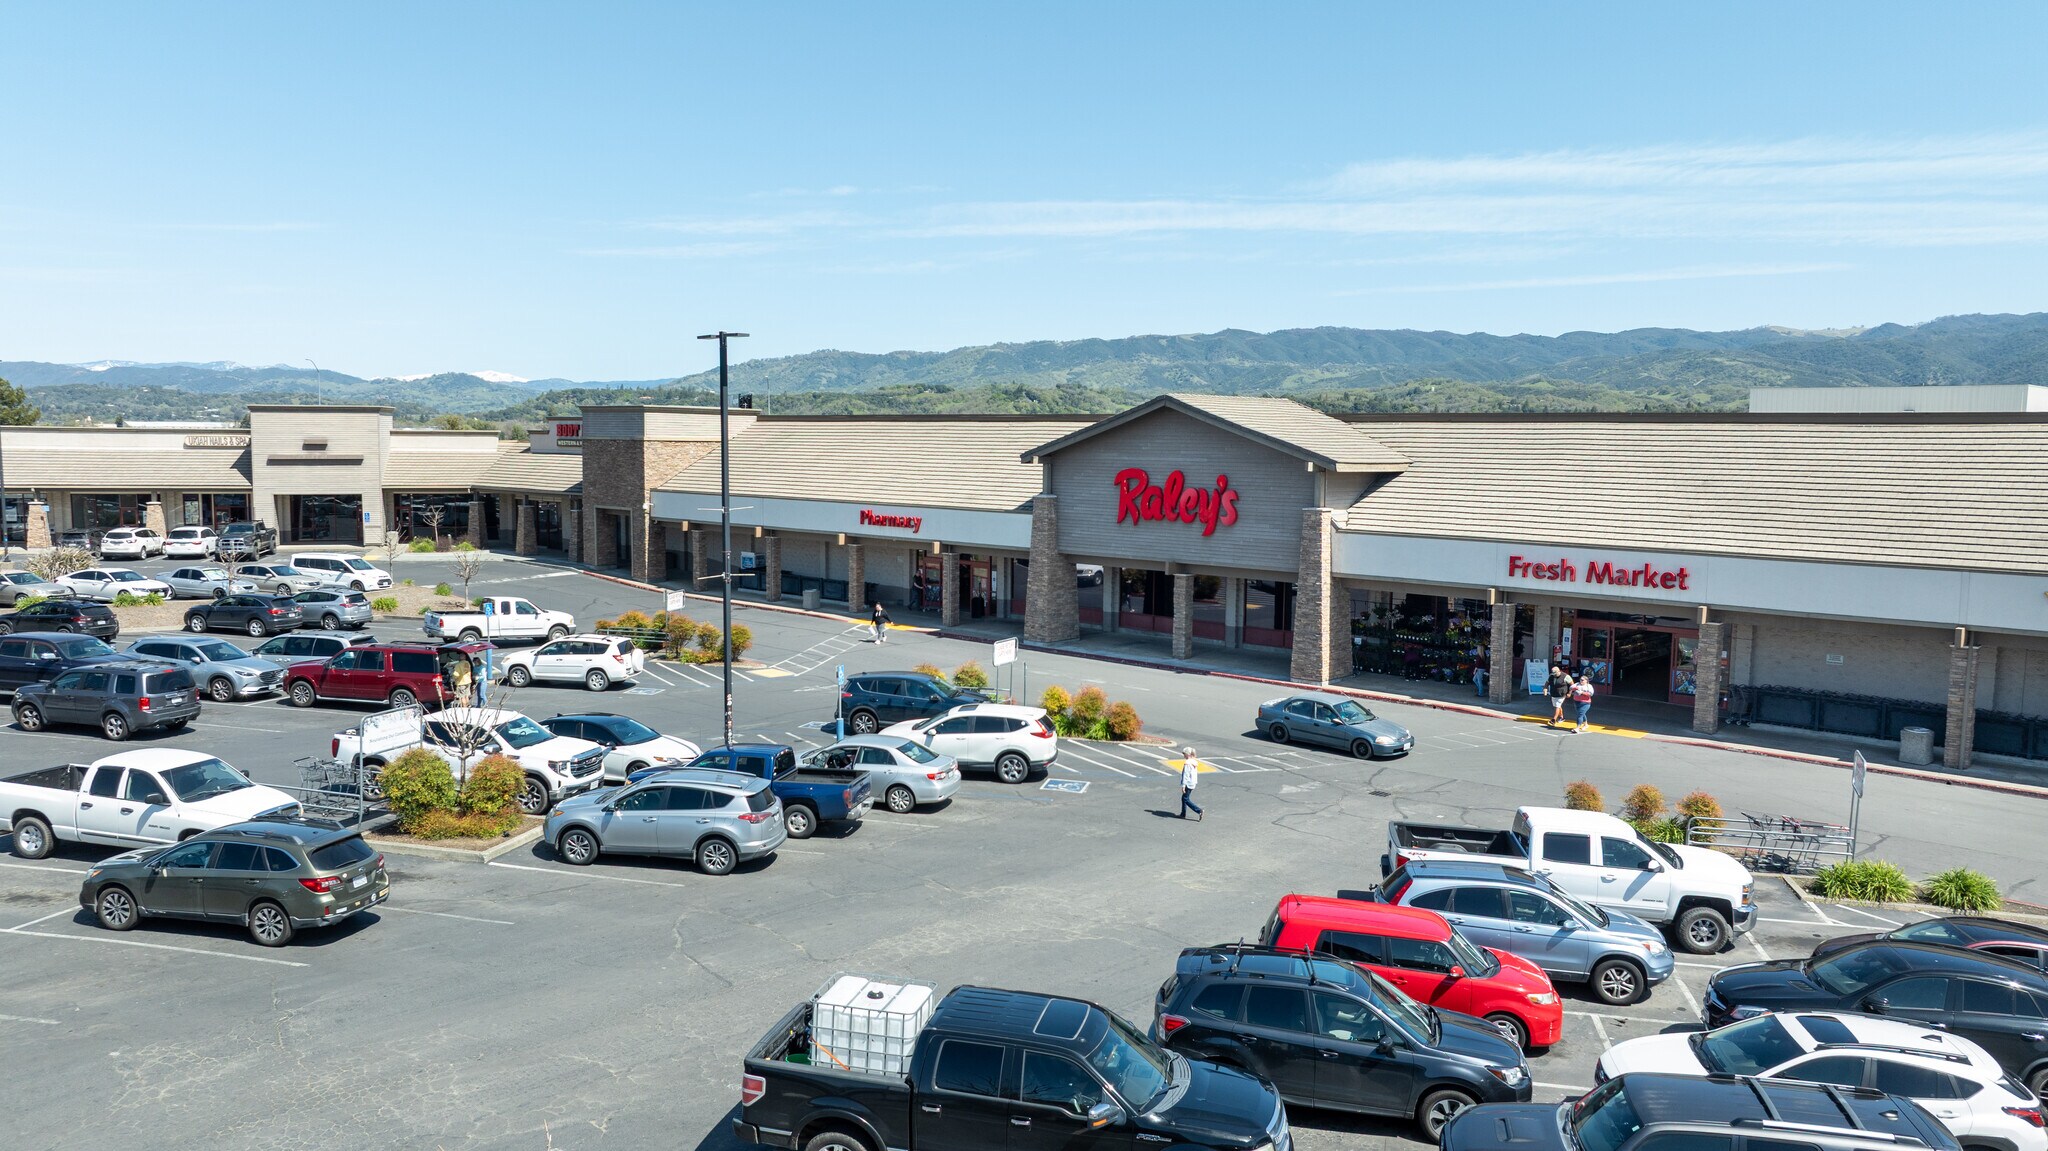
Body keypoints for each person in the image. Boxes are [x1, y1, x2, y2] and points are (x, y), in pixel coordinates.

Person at [1178, 747, 1204, 820]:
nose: (1184, 756)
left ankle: (1199, 810)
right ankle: (1183, 814)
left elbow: (1186, 775)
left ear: (1187, 754)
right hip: (1193, 783)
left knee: (1185, 799)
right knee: (1184, 798)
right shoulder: (1193, 762)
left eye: (1184, 754)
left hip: (1188, 783)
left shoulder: (1187, 763)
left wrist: (1183, 785)